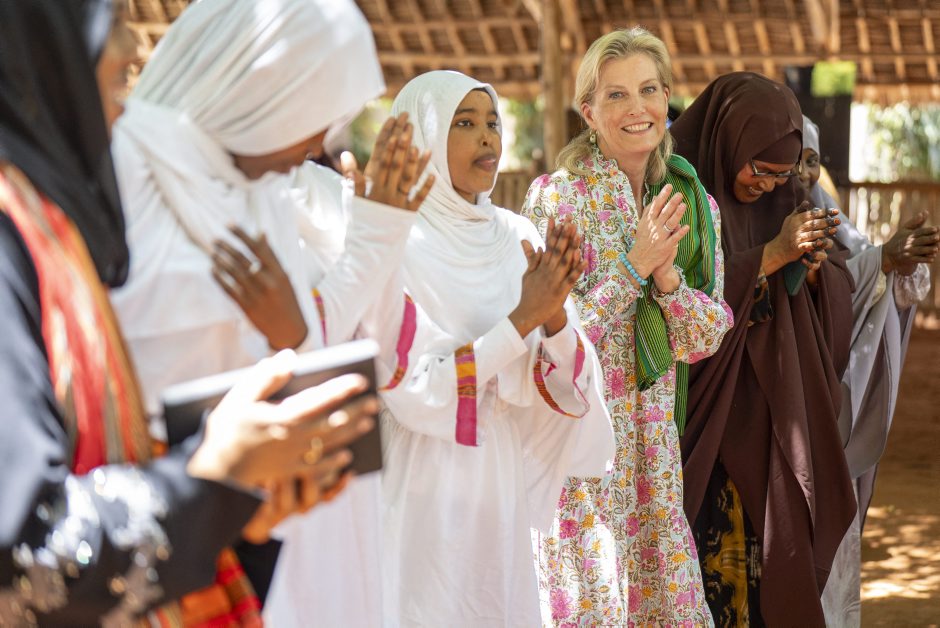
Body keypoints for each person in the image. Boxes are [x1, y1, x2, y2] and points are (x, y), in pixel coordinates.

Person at [0, 1, 376, 624]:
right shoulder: (57, 207)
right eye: (110, 23)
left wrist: (234, 496)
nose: (132, 49)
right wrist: (208, 476)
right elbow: (25, 548)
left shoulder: (51, 218)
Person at [106, 1, 432, 625]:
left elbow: (302, 341)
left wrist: (300, 328)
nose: (316, 145)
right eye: (309, 119)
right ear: (259, 91)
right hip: (134, 504)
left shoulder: (264, 194)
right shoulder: (122, 168)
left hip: (255, 515)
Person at [375, 70, 615, 626]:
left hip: (496, 476)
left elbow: (568, 377)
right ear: (421, 137)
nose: (487, 135)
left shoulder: (516, 236)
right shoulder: (395, 242)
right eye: (464, 123)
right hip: (421, 475)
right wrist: (524, 315)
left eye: (492, 122)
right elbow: (415, 388)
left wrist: (553, 314)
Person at [522, 28, 732, 626]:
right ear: (588, 112)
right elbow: (542, 344)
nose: (636, 108)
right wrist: (633, 266)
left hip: (654, 457)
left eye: (648, 90)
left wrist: (667, 280)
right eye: (616, 95)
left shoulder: (691, 203)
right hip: (582, 464)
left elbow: (706, 337)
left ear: (667, 98)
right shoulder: (556, 201)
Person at [671, 72, 857, 626]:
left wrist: (815, 271)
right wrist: (772, 255)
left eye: (783, 174)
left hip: (774, 408)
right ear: (729, 141)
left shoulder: (786, 196)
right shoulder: (677, 193)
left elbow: (835, 287)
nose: (770, 187)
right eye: (759, 170)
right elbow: (678, 299)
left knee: (774, 557)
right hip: (709, 417)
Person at [800, 115, 938, 626]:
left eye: (811, 160)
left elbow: (860, 280)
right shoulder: (740, 219)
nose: (802, 173)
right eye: (790, 160)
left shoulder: (826, 216)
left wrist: (892, 262)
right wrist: (882, 260)